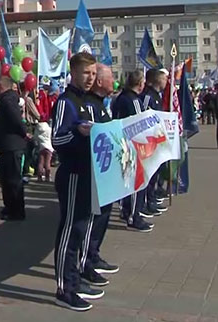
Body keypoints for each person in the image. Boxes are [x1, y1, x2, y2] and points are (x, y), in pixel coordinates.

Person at [51, 52, 103, 311]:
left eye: (93, 74)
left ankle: (76, 278)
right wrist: (77, 132)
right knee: (71, 231)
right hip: (72, 173)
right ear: (73, 72)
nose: (90, 78)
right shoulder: (66, 102)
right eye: (86, 73)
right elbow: (56, 140)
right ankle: (65, 288)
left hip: (90, 173)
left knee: (82, 230)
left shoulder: (90, 101)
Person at [80, 64, 120, 288]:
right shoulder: (89, 105)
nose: (113, 81)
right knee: (93, 219)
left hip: (106, 173)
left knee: (103, 217)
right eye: (110, 77)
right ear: (99, 82)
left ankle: (94, 255)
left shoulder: (101, 105)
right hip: (95, 172)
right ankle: (86, 264)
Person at [110, 70, 152, 233]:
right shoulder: (133, 100)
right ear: (140, 84)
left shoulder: (120, 97)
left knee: (126, 181)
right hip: (131, 145)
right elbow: (139, 123)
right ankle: (134, 215)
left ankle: (126, 211)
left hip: (121, 142)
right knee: (136, 182)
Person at [0, 76, 28, 221]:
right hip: (8, 146)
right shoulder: (10, 99)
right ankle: (10, 208)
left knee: (12, 181)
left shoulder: (6, 100)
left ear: (0, 87)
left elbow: (16, 120)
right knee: (7, 180)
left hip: (11, 145)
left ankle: (16, 211)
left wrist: (23, 132)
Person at [139, 69, 168, 217]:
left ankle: (151, 198)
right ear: (157, 80)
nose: (166, 82)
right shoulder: (148, 96)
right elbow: (142, 117)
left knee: (155, 173)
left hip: (157, 140)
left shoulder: (157, 96)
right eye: (164, 79)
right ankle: (143, 203)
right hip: (147, 141)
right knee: (148, 174)